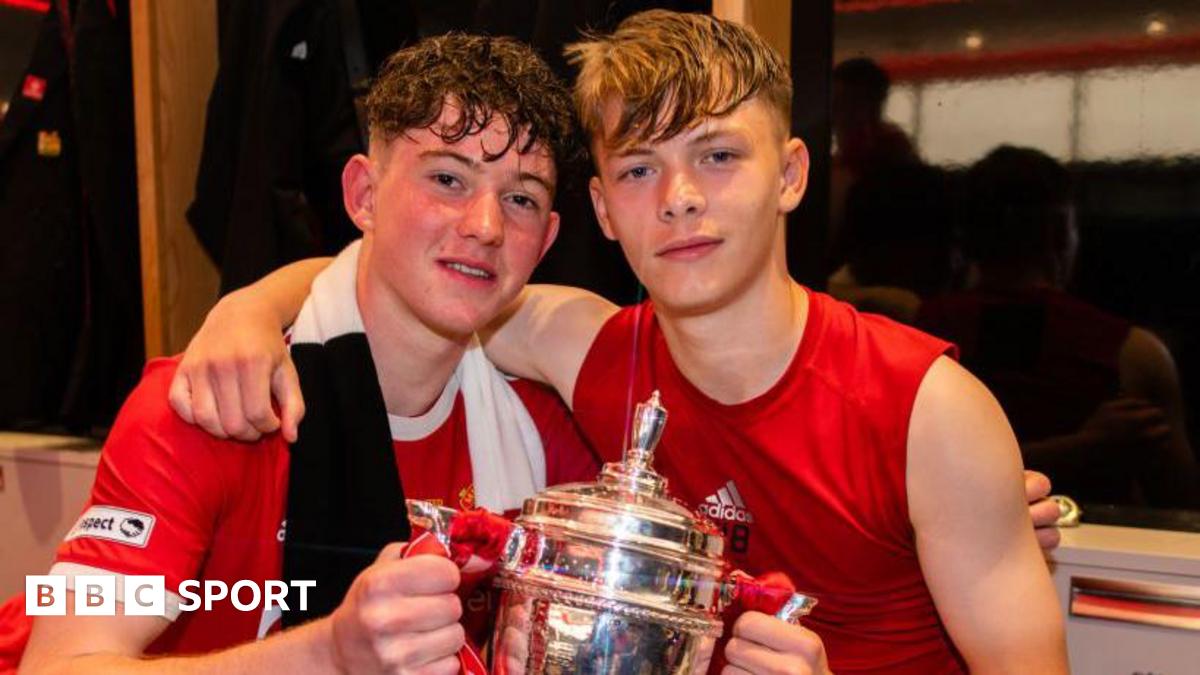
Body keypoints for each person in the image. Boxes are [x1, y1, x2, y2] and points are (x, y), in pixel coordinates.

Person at [169, 11, 1070, 674]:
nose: (678, 197)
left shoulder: (926, 411)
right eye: (639, 169)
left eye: (718, 155)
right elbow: (402, 275)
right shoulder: (588, 346)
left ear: (791, 174)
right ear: (601, 209)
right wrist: (249, 308)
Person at [10, 34, 600, 674]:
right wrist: (330, 654)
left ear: (544, 242)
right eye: (447, 178)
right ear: (364, 197)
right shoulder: (210, 408)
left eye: (520, 198)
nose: (486, 226)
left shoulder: (548, 436)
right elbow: (58, 666)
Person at [917, 145, 1197, 509]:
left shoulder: (916, 336)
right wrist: (1083, 447)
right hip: (1098, 555)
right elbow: (1183, 509)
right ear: (1063, 231)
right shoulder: (1132, 352)